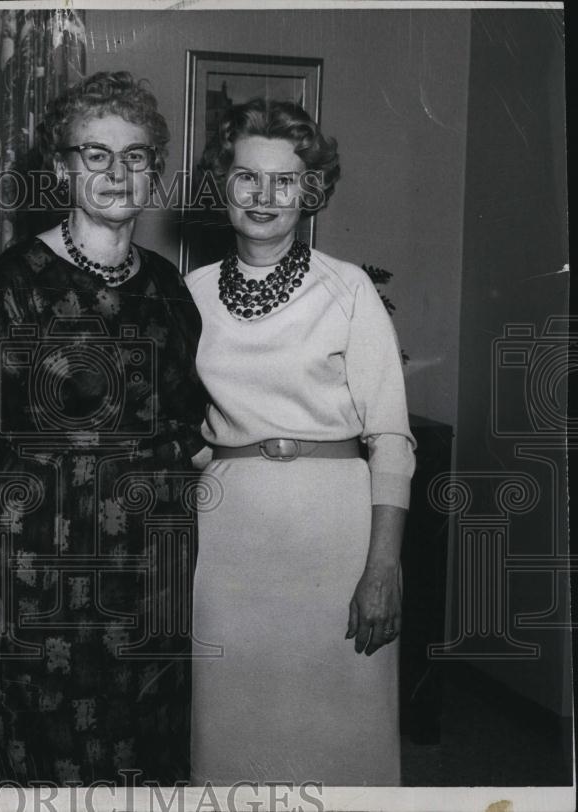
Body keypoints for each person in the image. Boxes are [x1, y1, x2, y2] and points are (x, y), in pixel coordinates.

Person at [0, 71, 208, 785]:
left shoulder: (169, 289)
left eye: (137, 155)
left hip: (154, 580)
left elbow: (189, 429)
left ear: (156, 167)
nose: (117, 173)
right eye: (96, 154)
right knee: (50, 768)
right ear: (61, 168)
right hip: (46, 584)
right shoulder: (10, 286)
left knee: (149, 764)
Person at [186, 98, 415, 786]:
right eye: (247, 177)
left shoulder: (346, 291)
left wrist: (383, 567)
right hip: (229, 542)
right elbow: (178, 425)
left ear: (310, 191)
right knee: (231, 733)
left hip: (334, 541)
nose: (264, 197)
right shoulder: (188, 294)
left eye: (284, 181)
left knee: (344, 732)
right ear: (222, 182)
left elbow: (392, 440)